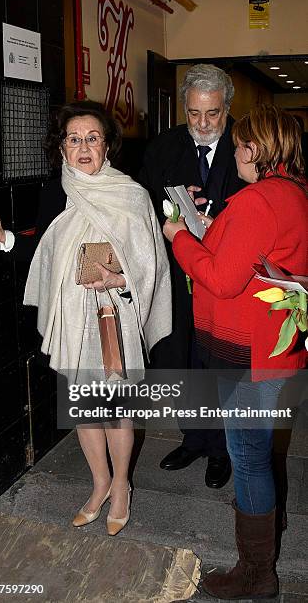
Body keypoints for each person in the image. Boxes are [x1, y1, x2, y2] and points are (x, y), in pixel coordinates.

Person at [0, 101, 172, 536]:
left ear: (107, 146)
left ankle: (122, 485)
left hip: (114, 312)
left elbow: (152, 264)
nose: (83, 147)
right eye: (74, 139)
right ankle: (99, 483)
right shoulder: (55, 193)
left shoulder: (132, 194)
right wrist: (4, 235)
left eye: (92, 138)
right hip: (71, 314)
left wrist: (118, 278)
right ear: (61, 147)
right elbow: (44, 254)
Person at [163, 104, 307, 600]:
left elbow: (223, 280)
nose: (234, 149)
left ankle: (257, 573)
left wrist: (181, 237)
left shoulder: (256, 200)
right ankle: (266, 543)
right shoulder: (292, 193)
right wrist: (210, 230)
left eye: (241, 143)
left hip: (247, 353)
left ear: (257, 149)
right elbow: (249, 256)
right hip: (274, 347)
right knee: (259, 453)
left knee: (247, 458)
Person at [139, 64, 245, 486]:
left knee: (219, 362)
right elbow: (142, 206)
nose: (202, 124)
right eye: (194, 113)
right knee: (181, 357)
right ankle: (193, 438)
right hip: (178, 276)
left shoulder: (248, 145)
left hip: (227, 278)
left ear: (227, 108)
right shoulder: (163, 148)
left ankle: (221, 449)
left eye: (213, 114)